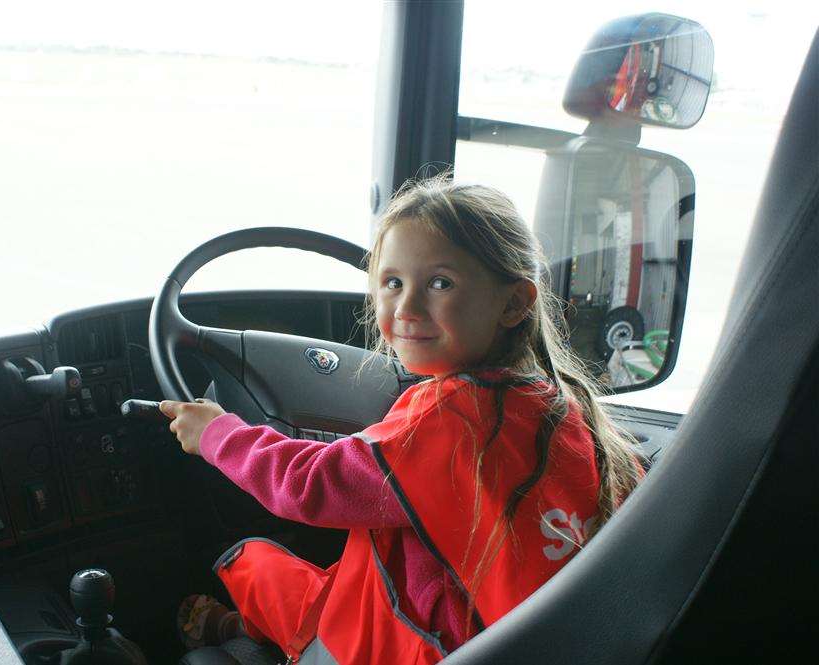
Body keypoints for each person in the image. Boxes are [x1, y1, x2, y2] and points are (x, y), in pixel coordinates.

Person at [160, 176, 645, 664]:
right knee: (329, 571)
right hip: (511, 633)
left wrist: (217, 433)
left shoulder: (450, 416)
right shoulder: (563, 411)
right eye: (392, 283)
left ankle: (235, 628)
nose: (407, 308)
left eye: (440, 283)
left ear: (514, 303)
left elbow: (305, 483)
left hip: (425, 643)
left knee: (255, 558)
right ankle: (241, 625)